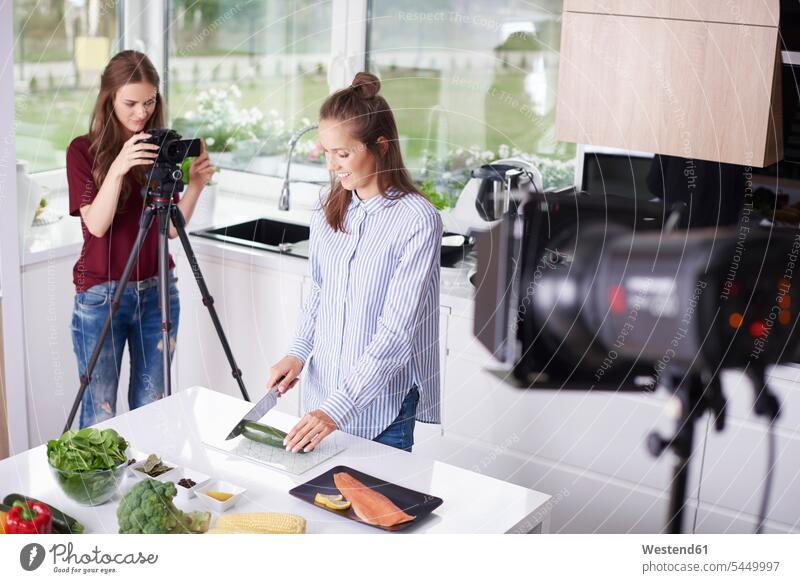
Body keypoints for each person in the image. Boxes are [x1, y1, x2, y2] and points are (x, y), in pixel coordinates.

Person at [267, 72, 443, 453]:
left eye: (342, 154)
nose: (332, 165)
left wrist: (336, 410)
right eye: (327, 152)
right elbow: (318, 290)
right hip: (319, 399)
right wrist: (297, 352)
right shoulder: (327, 206)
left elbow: (396, 336)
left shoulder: (417, 221)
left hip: (382, 412)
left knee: (376, 512)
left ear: (380, 145)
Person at [66, 50, 214, 428]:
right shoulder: (83, 151)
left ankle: (143, 484)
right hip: (101, 297)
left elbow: (170, 229)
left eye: (149, 102)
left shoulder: (158, 149)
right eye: (130, 103)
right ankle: (95, 488)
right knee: (99, 413)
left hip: (158, 293)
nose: (141, 113)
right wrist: (117, 167)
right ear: (109, 99)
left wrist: (195, 184)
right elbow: (97, 225)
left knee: (154, 408)